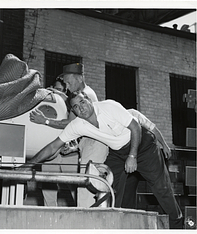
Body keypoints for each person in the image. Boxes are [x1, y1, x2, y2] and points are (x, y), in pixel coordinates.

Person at [21, 91, 183, 229]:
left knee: (160, 187)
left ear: (89, 100)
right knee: (107, 186)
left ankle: (177, 223)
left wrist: (132, 156)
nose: (81, 108)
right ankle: (113, 226)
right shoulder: (78, 124)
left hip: (143, 146)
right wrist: (28, 165)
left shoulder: (109, 107)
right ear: (74, 112)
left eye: (82, 102)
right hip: (118, 152)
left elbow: (135, 128)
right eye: (76, 107)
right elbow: (52, 147)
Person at [29, 63, 109, 207]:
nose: (67, 86)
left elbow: (71, 124)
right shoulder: (77, 95)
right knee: (49, 179)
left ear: (78, 78)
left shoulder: (87, 96)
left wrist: (45, 121)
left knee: (81, 187)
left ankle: (86, 219)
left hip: (87, 147)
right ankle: (51, 216)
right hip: (70, 146)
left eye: (68, 82)